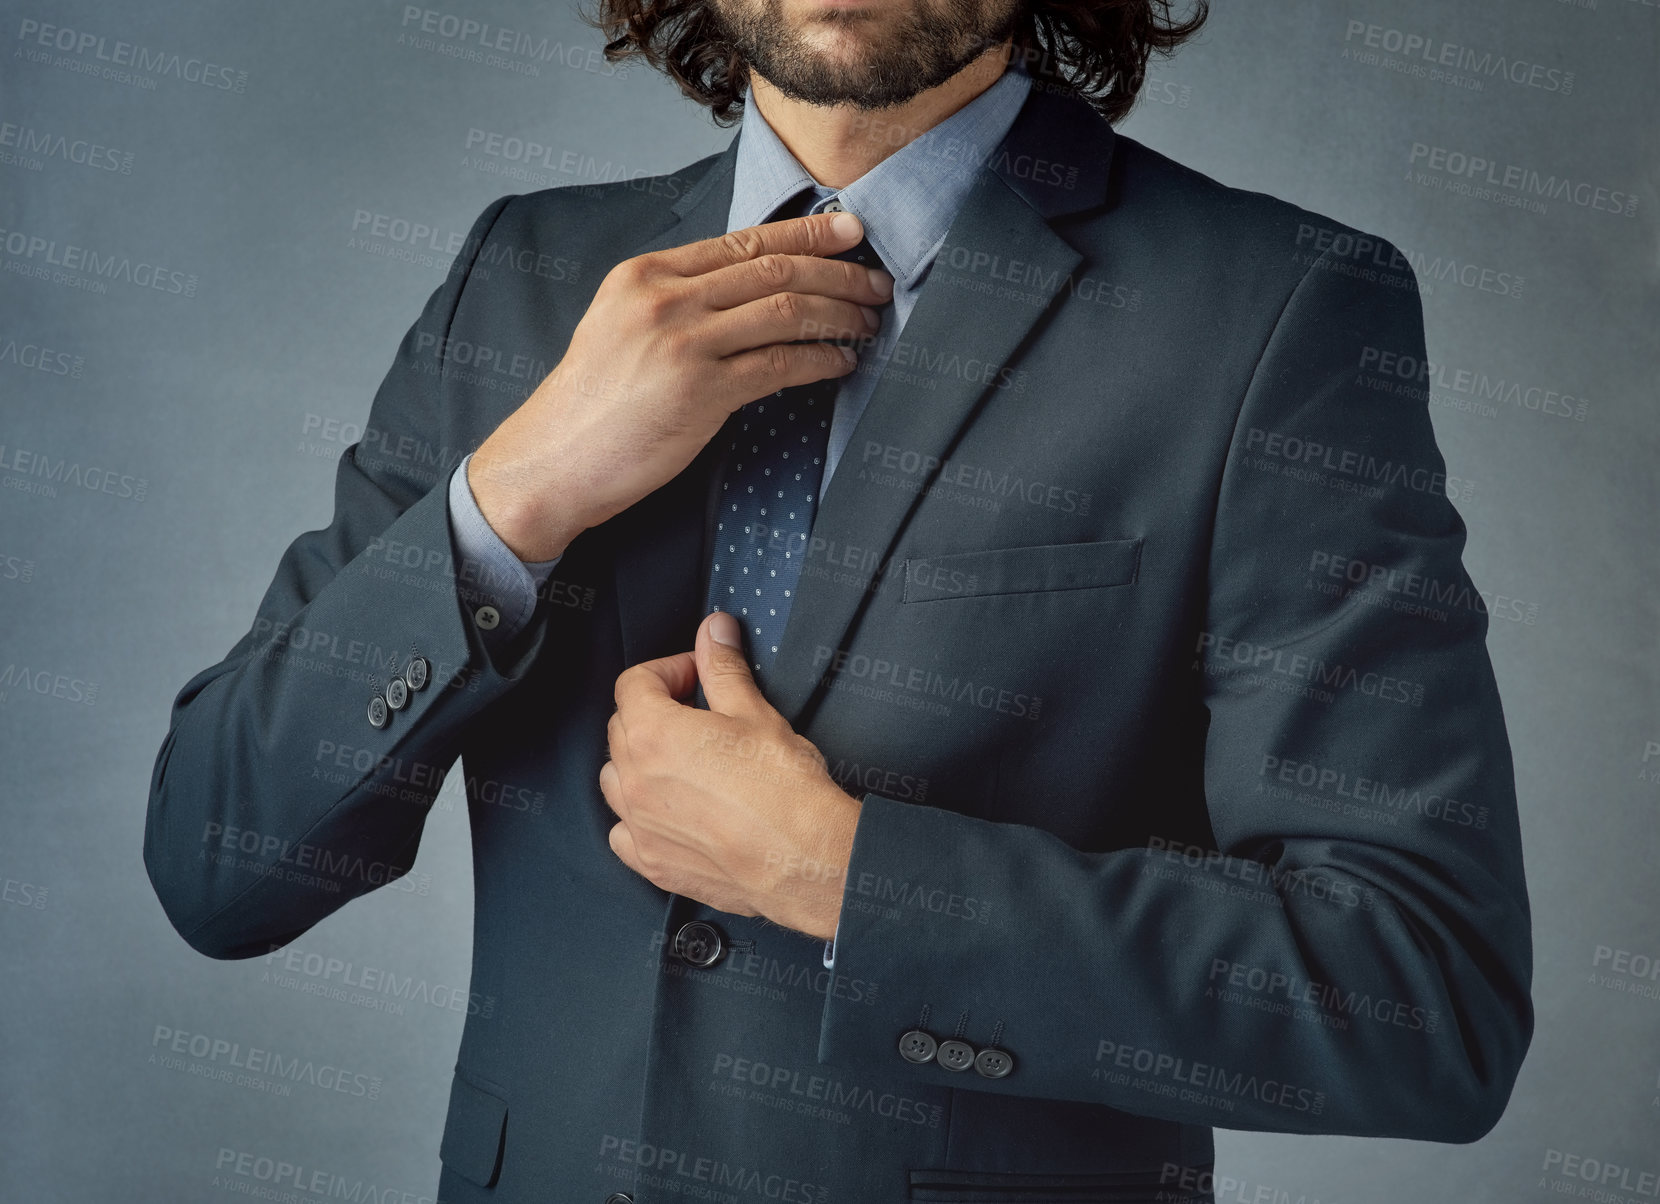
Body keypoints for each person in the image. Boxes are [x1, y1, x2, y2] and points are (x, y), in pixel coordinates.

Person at [144, 0, 1533, 1199]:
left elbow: (1421, 993)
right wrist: (515, 495)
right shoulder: (520, 282)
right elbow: (216, 862)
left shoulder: (1273, 312)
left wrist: (841, 877)